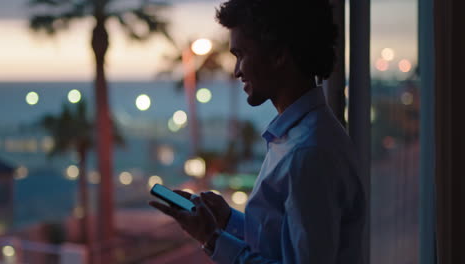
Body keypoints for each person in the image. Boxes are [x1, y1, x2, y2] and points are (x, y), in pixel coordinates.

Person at [149, 0, 366, 263]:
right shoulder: (299, 138)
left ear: (278, 55)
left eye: (241, 55)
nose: (236, 71)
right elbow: (278, 242)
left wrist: (213, 239)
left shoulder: (307, 153)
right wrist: (227, 220)